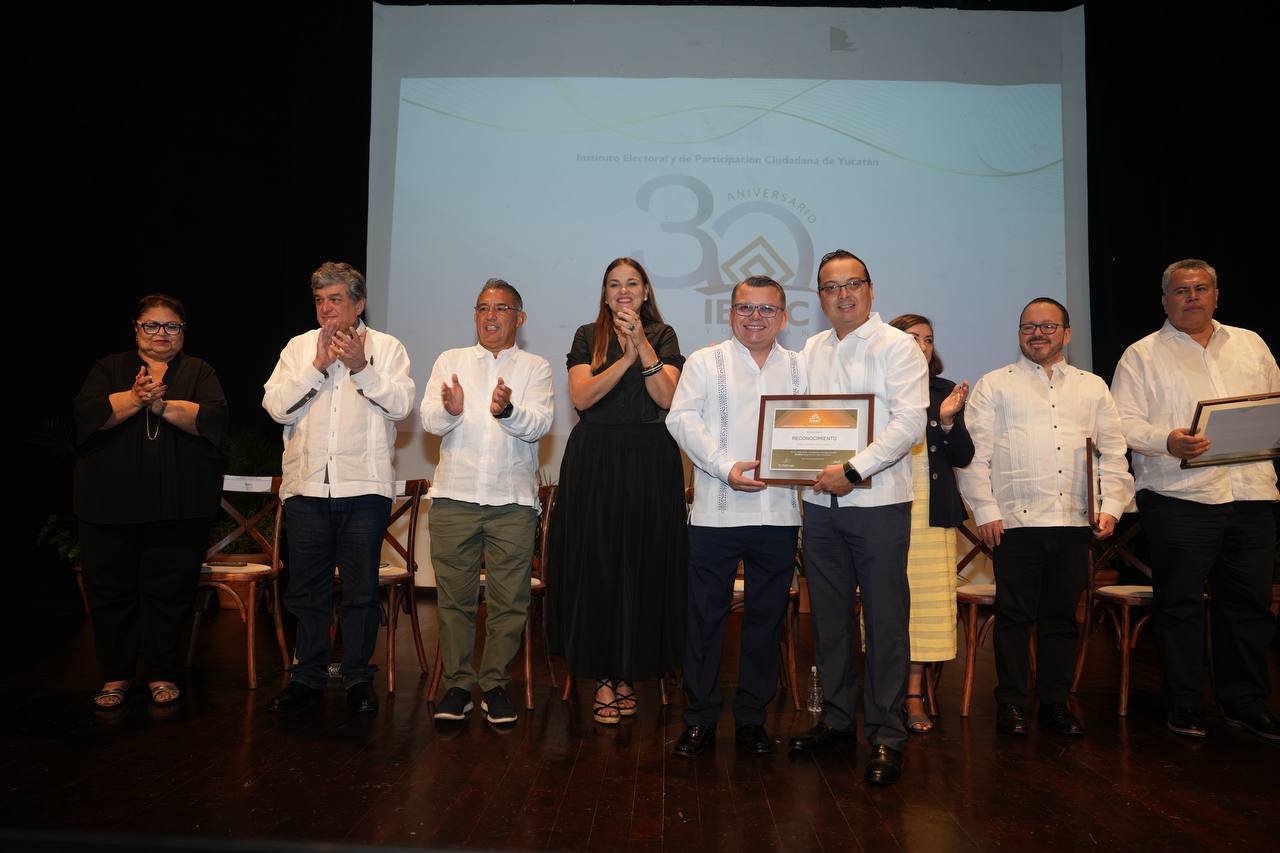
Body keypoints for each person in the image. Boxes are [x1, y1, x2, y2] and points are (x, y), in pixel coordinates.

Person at [1110, 259, 1280, 742]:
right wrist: (1168, 440)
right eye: (1181, 290)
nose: (1192, 297)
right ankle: (1185, 703)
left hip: (1251, 493)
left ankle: (1246, 704)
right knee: (1179, 605)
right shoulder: (1141, 355)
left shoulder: (1250, 344)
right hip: (1180, 497)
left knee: (1248, 605)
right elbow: (1121, 423)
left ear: (1216, 295)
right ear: (1165, 300)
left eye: (1200, 288)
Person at [956, 297, 1134, 737]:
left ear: (1066, 334)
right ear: (1019, 334)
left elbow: (1113, 454)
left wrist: (1111, 506)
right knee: (1014, 617)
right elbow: (974, 457)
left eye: (1048, 326)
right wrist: (986, 510)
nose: (1037, 334)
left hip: (1074, 522)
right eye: (1028, 327)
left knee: (1061, 618)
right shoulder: (995, 385)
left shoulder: (1092, 387)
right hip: (1014, 524)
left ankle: (1055, 704)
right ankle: (1011, 703)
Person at [788, 250, 928, 786]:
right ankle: (837, 721)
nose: (842, 295)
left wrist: (853, 469)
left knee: (886, 621)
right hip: (821, 506)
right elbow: (798, 422)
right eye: (831, 287)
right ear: (819, 297)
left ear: (870, 289)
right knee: (828, 619)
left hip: (878, 504)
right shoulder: (812, 350)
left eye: (852, 284)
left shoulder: (898, 346)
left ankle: (887, 734)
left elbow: (908, 423)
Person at [262, 261, 415, 714]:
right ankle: (306, 677)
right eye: (320, 301)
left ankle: (357, 678)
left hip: (364, 488)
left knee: (361, 590)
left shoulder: (387, 347)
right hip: (307, 487)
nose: (326, 309)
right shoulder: (299, 348)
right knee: (306, 589)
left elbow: (402, 406)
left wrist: (360, 367)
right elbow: (276, 407)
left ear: (359, 303)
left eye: (336, 300)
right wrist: (318, 366)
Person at [666, 276, 806, 756]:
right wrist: (725, 467)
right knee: (705, 620)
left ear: (783, 317)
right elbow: (681, 419)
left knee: (765, 621)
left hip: (779, 514)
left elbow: (821, 424)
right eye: (745, 307)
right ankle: (700, 717)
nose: (755, 317)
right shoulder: (705, 362)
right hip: (716, 514)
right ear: (730, 314)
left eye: (767, 309)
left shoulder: (801, 367)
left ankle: (751, 719)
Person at [545, 257, 687, 724]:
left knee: (642, 566)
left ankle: (631, 672)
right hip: (597, 461)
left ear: (645, 292)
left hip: (650, 461)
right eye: (614, 284)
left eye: (632, 283)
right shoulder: (588, 336)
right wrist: (624, 359)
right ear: (605, 295)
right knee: (599, 566)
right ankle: (605, 677)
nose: (623, 291)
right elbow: (582, 397)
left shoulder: (663, 336)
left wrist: (641, 345)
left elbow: (667, 397)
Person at [73, 294, 228, 708]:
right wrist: (134, 398)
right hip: (109, 507)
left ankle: (162, 673)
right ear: (136, 329)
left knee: (171, 593)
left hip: (180, 506)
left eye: (172, 326)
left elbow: (211, 420)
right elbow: (89, 417)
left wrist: (160, 405)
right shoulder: (109, 368)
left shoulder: (198, 371)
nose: (162, 333)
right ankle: (116, 676)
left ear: (183, 331)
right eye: (152, 325)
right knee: (111, 594)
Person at [421, 279, 554, 725]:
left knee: (509, 602)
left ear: (520, 318)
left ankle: (495, 684)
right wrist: (452, 410)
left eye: (501, 308)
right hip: (454, 498)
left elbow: (540, 424)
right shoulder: (450, 361)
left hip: (512, 502)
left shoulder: (535, 368)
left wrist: (507, 411)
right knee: (454, 601)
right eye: (482, 308)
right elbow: (429, 420)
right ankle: (458, 685)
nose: (490, 316)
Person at [886, 313, 974, 734]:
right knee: (888, 601)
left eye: (928, 339)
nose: (921, 346)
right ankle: (882, 690)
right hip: (886, 505)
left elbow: (963, 456)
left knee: (924, 604)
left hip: (931, 509)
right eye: (911, 338)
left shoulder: (944, 391)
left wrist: (947, 420)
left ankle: (913, 694)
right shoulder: (877, 387)